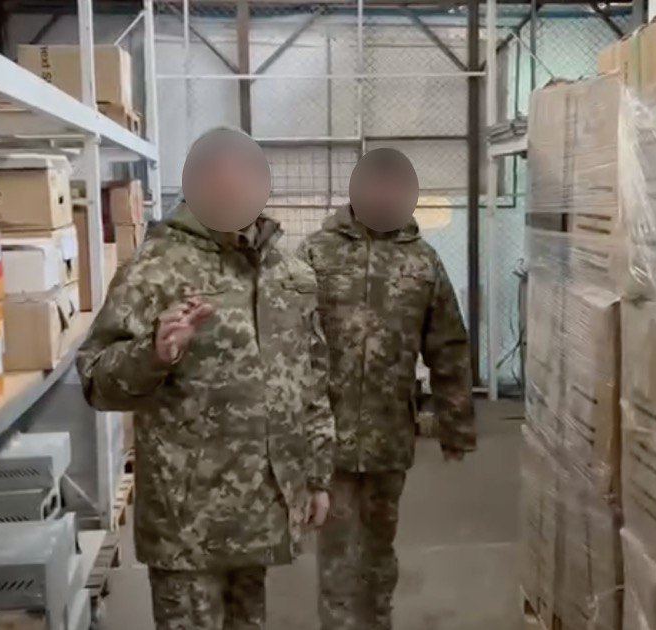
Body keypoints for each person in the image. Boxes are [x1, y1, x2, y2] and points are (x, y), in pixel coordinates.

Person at [76, 127, 335, 630]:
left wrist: (318, 477)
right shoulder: (156, 269)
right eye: (219, 176)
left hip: (261, 514)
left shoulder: (288, 274)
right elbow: (95, 378)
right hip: (187, 527)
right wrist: (153, 354)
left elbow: (312, 380)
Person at [299, 148, 477, 630]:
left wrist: (456, 425)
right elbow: (286, 343)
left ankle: (377, 622)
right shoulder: (316, 254)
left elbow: (448, 345)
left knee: (379, 550)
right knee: (337, 555)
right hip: (328, 438)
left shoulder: (422, 262)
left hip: (389, 435)